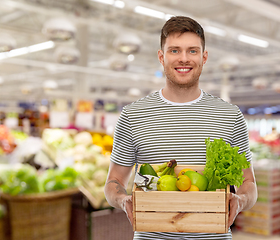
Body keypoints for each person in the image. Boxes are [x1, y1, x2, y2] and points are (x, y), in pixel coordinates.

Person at [104, 16, 257, 240]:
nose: (184, 59)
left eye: (192, 51)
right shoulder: (133, 115)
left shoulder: (230, 116)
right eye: (174, 50)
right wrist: (123, 199)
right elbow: (113, 181)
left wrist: (241, 200)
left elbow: (248, 183)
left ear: (204, 57)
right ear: (161, 56)